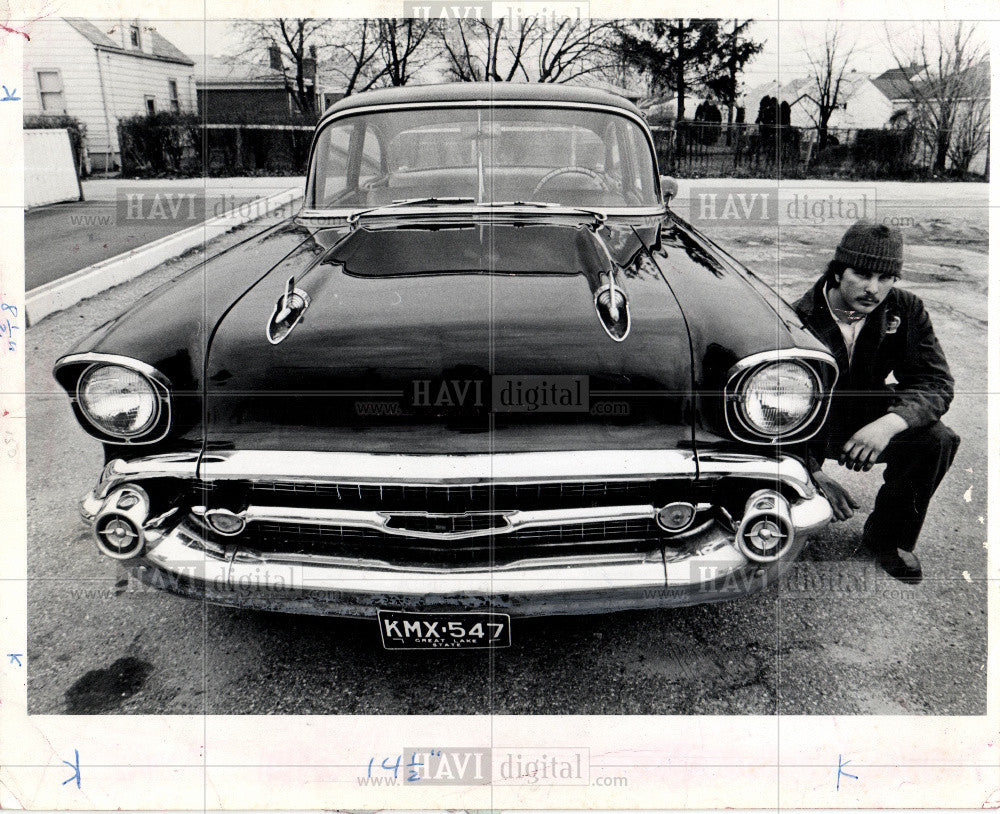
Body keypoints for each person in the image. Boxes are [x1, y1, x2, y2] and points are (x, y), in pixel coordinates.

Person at [793, 220, 960, 584]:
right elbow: (773, 411)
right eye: (862, 274)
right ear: (838, 272)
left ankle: (887, 539)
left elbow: (935, 380)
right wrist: (812, 473)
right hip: (811, 423)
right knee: (789, 520)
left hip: (870, 413)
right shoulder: (796, 318)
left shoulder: (906, 309)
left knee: (936, 440)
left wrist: (890, 424)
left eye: (886, 277)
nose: (873, 289)